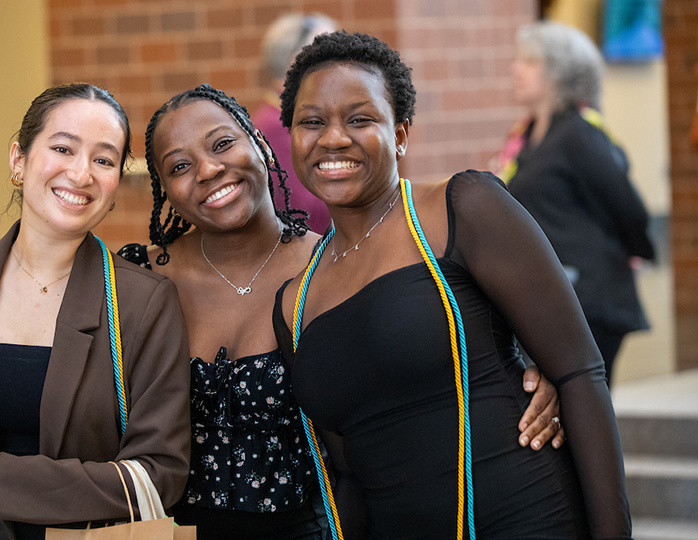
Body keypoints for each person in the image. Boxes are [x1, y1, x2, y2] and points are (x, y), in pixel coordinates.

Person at [0, 84, 564, 539]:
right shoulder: (141, 282)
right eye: (177, 165)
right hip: (184, 529)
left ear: (261, 144)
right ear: (164, 192)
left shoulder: (335, 268)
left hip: (326, 524)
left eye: (221, 145)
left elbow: (420, 342)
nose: (206, 171)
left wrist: (532, 363)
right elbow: (47, 397)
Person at [272, 31, 631, 538]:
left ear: (400, 133)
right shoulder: (294, 301)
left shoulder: (462, 208)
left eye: (360, 119)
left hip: (525, 518)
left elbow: (579, 374)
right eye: (312, 122)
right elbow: (346, 477)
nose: (334, 138)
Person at [0, 83, 191, 540]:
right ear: (19, 160)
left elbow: (161, 476)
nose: (81, 173)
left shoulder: (142, 303)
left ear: (116, 183)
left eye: (104, 159)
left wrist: (6, 480)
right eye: (62, 148)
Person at [494, 21, 655, 386]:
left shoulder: (579, 133)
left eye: (530, 62)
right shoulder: (529, 135)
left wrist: (636, 254)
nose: (515, 69)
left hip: (589, 299)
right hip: (550, 299)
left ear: (561, 73)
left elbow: (629, 209)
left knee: (581, 416)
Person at [254, 13, 337, 234]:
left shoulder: (291, 118)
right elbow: (303, 211)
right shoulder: (275, 126)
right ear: (295, 60)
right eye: (327, 56)